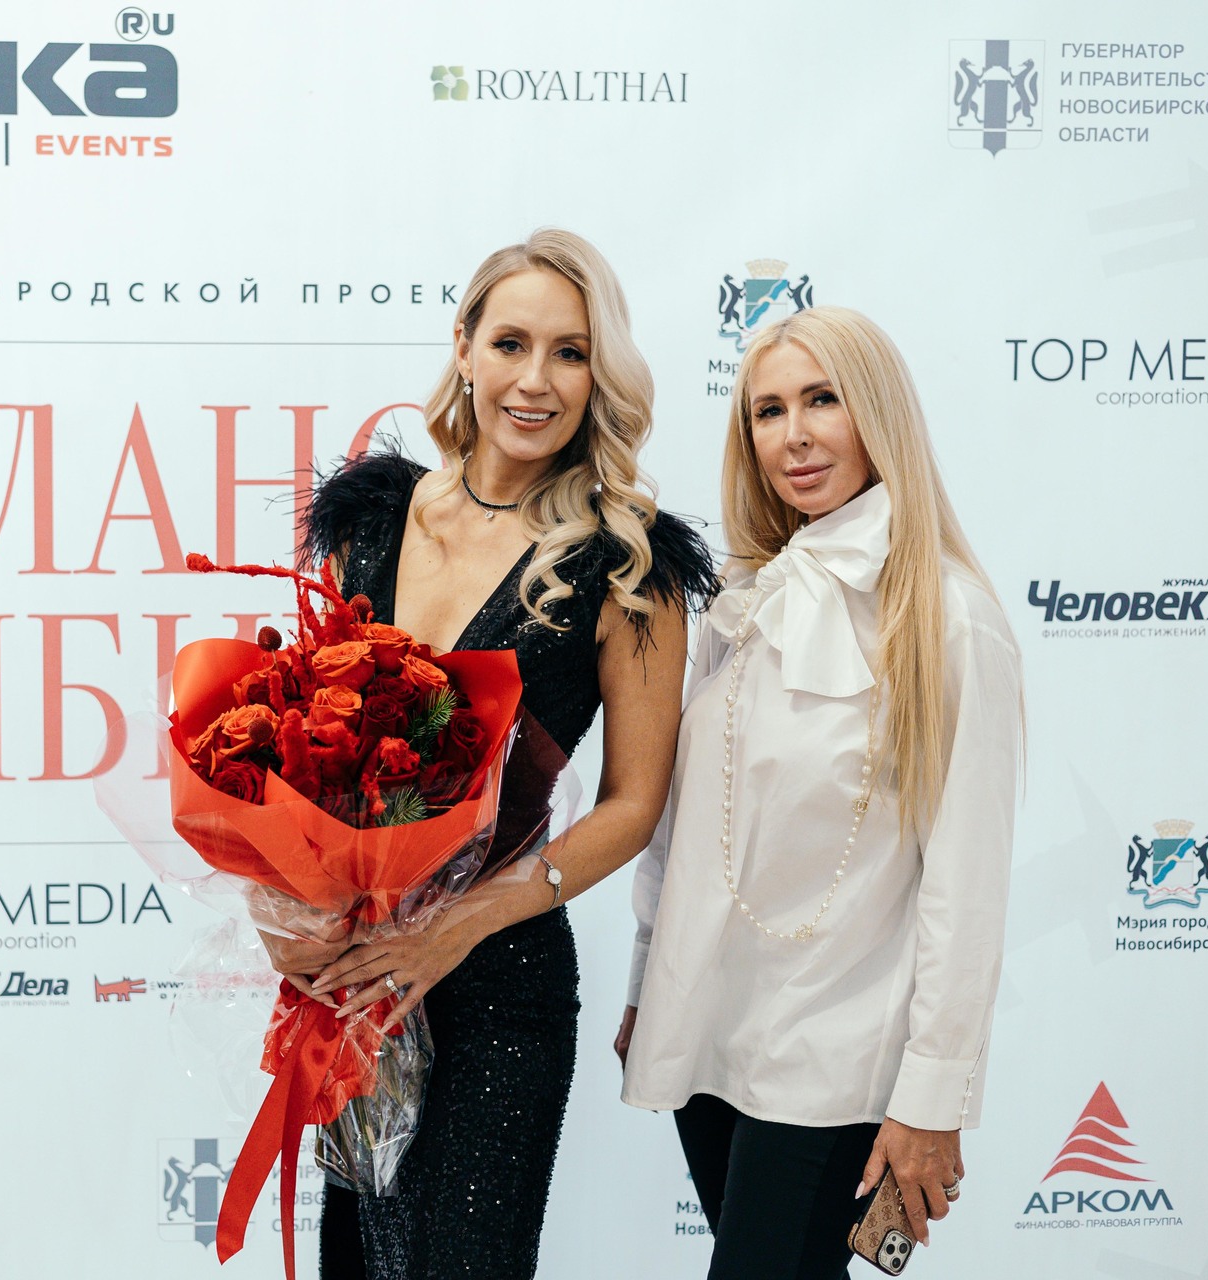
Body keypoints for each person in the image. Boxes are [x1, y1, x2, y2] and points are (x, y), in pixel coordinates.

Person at [265, 228, 719, 1279]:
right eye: (511, 342)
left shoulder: (629, 567)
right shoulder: (371, 519)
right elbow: (304, 746)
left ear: (599, 376)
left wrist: (456, 926)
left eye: (571, 352)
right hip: (356, 980)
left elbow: (634, 802)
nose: (536, 379)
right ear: (463, 345)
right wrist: (290, 913)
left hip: (501, 985)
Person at [618, 307, 1022, 1279]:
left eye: (822, 400)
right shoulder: (743, 599)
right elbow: (684, 827)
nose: (793, 435)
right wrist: (647, 986)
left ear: (877, 413)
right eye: (768, 411)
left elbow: (966, 888)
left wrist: (933, 1097)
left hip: (839, 1059)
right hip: (710, 1035)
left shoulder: (952, 620)